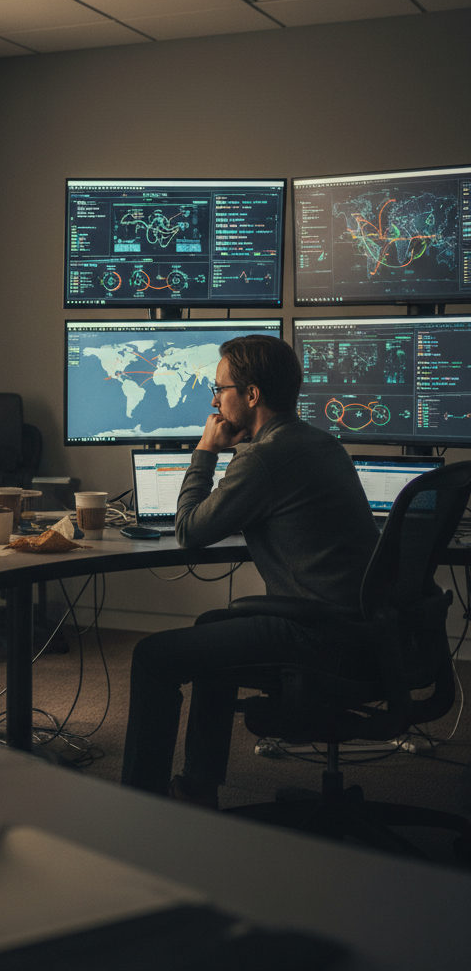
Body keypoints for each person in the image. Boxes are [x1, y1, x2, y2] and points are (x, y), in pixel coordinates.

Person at [120, 335, 379, 808]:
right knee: (211, 627)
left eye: (220, 389)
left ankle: (142, 806)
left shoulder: (263, 458)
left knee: (152, 657)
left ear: (252, 394)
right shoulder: (321, 442)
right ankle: (197, 786)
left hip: (317, 633)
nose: (214, 401)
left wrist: (205, 450)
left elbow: (188, 530)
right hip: (363, 627)